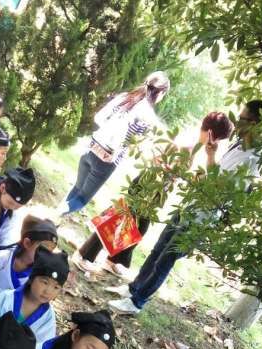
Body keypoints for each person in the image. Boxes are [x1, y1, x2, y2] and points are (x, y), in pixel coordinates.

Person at [110, 99, 262, 315]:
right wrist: (208, 165)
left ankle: (136, 302)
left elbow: (220, 188)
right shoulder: (239, 145)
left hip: (202, 218)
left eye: (242, 118)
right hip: (192, 205)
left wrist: (210, 157)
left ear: (256, 123)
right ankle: (134, 288)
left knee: (165, 260)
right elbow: (217, 175)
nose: (236, 122)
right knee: (158, 249)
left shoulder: (252, 159)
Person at [73, 112, 233, 278]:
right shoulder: (189, 142)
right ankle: (85, 255)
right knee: (120, 218)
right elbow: (163, 162)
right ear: (212, 134)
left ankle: (115, 260)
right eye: (218, 138)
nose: (217, 143)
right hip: (149, 183)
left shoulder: (199, 147)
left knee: (137, 225)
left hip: (157, 190)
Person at [58, 72, 170, 217]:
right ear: (161, 93)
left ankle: (52, 222)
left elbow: (98, 118)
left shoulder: (124, 97)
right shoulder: (148, 117)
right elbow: (139, 147)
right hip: (106, 161)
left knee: (76, 189)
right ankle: (54, 215)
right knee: (81, 199)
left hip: (91, 147)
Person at [0, 246, 68, 349]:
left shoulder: (48, 318)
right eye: (44, 282)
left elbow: (41, 347)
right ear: (31, 278)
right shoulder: (7, 297)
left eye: (56, 287)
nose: (48, 291)